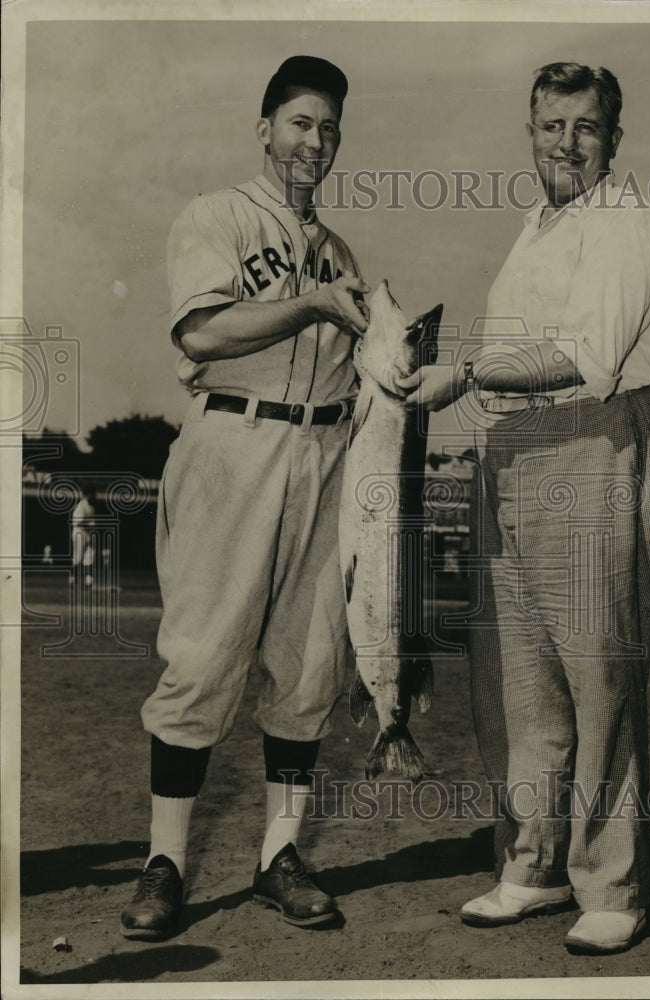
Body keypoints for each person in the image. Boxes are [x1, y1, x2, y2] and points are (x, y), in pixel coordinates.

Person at [402, 62, 650, 954]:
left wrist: (469, 371)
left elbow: (589, 353)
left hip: (596, 435)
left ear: (612, 138)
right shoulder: (537, 225)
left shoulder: (626, 222)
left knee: (597, 671)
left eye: (586, 127)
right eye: (551, 125)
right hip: (515, 447)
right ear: (529, 131)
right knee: (515, 675)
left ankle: (613, 883)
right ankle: (531, 863)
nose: (567, 142)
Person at [120, 55, 369, 940]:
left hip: (325, 452)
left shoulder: (340, 253)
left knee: (307, 666)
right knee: (201, 659)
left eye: (330, 128)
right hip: (234, 441)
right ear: (264, 128)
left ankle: (279, 856)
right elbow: (202, 329)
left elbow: (369, 374)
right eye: (301, 122)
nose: (316, 141)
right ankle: (166, 863)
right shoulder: (215, 215)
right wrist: (309, 305)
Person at [69, 485, 96, 587]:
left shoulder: (91, 506)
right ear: (87, 495)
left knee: (90, 556)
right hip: (79, 533)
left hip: (87, 533)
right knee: (78, 557)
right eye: (92, 494)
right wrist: (90, 525)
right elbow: (78, 523)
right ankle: (73, 579)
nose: (94, 496)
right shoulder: (81, 506)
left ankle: (88, 581)